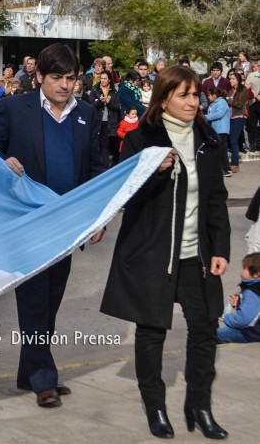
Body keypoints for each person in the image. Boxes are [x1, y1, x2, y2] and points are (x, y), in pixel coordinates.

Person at [101, 65, 230, 440]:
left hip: (198, 255)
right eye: (184, 95)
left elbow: (217, 200)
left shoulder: (206, 139)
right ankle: (155, 407)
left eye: (196, 94)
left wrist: (220, 246)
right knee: (152, 330)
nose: (194, 101)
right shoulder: (141, 139)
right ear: (164, 99)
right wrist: (154, 172)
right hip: (153, 252)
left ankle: (199, 405)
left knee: (205, 330)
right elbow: (125, 196)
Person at [0, 43, 105, 408]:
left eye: (71, 78)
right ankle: (43, 379)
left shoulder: (87, 113)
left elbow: (96, 169)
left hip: (66, 227)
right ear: (38, 77)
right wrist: (4, 160)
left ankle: (29, 370)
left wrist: (98, 217)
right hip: (28, 223)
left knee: (49, 304)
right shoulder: (13, 108)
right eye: (56, 77)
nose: (65, 85)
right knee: (35, 302)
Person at [216, 253, 260, 344]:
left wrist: (227, 318)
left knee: (216, 333)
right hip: (256, 330)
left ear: (256, 274)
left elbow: (242, 320)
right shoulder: (256, 289)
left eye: (244, 268)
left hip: (252, 334)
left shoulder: (252, 292)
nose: (241, 271)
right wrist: (240, 303)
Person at [88, 71, 121, 168]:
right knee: (99, 144)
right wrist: (99, 102)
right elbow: (90, 106)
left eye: (105, 78)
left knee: (108, 144)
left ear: (109, 80)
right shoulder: (95, 89)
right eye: (101, 78)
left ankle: (108, 166)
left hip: (110, 121)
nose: (102, 80)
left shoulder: (114, 90)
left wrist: (109, 102)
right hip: (97, 121)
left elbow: (117, 106)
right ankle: (100, 166)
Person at [226, 69, 251, 173]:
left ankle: (235, 164)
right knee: (230, 140)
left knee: (233, 140)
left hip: (240, 117)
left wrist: (228, 99)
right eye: (230, 78)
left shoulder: (244, 90)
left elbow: (239, 104)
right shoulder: (231, 91)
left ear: (238, 80)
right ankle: (232, 163)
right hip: (230, 117)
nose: (230, 80)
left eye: (233, 79)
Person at [205, 88, 231, 176]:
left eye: (209, 95)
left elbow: (219, 114)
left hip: (221, 130)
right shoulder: (214, 103)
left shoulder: (221, 102)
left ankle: (226, 169)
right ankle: (218, 169)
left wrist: (205, 117)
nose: (208, 97)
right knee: (217, 149)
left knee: (222, 149)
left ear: (214, 95)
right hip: (215, 130)